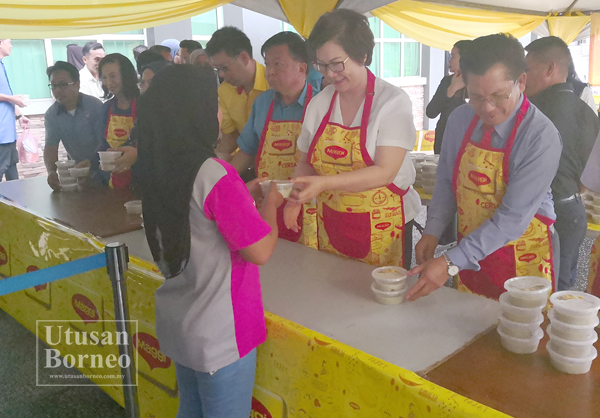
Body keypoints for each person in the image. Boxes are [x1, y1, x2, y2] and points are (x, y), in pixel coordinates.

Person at [136, 64, 282, 418]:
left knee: (191, 409)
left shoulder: (159, 165)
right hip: (221, 330)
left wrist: (241, 195)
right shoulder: (214, 172)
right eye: (213, 104)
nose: (219, 113)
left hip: (181, 322)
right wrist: (272, 205)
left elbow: (197, 214)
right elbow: (259, 250)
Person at [407, 34, 562, 302]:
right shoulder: (460, 120)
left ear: (521, 82)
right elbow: (446, 181)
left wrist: (450, 262)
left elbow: (511, 220)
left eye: (498, 96)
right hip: (470, 249)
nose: (487, 108)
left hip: (522, 252)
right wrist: (432, 230)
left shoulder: (540, 136)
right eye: (476, 97)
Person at [283, 10, 420, 268]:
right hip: (331, 218)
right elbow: (305, 162)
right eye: (321, 66)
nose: (330, 74)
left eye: (336, 63)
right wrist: (296, 197)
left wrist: (323, 184)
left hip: (385, 221)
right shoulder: (319, 105)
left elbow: (385, 172)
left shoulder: (391, 102)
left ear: (362, 55)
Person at [524, 36, 600, 291]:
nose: (523, 78)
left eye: (527, 70)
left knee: (539, 288)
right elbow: (590, 176)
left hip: (546, 212)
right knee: (564, 286)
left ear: (549, 68)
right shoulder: (588, 111)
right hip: (573, 210)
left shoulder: (533, 111)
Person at [230, 32, 319, 246]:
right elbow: (247, 151)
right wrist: (224, 181)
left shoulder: (320, 105)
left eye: (278, 64)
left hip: (306, 205)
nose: (270, 72)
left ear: (302, 67)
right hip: (265, 203)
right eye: (267, 65)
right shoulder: (262, 103)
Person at [206, 27, 270, 158]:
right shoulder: (224, 91)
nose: (221, 75)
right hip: (244, 161)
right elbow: (232, 135)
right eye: (217, 70)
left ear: (244, 58)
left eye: (224, 68)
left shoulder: (273, 85)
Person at [44, 61, 105, 191]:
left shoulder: (95, 106)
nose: (58, 90)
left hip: (103, 171)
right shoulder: (52, 114)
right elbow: (50, 146)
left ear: (77, 84)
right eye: (54, 86)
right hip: (78, 175)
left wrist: (91, 161)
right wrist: (51, 172)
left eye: (63, 85)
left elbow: (104, 142)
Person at [98, 53, 140, 189]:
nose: (108, 82)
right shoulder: (106, 109)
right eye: (104, 77)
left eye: (113, 76)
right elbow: (103, 144)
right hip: (116, 181)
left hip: (143, 181)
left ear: (126, 75)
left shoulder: (144, 104)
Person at [426, 40, 471, 155]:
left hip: (468, 143)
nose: (449, 60)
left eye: (453, 56)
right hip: (444, 140)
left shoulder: (477, 84)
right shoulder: (447, 81)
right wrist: (451, 89)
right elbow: (431, 112)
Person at [0, 38, 30, 182]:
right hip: (1, 134)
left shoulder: (2, 65)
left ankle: (16, 203)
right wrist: (12, 99)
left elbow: (6, 95)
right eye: (9, 41)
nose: (11, 45)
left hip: (9, 132)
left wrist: (19, 116)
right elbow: (9, 97)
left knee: (13, 171)